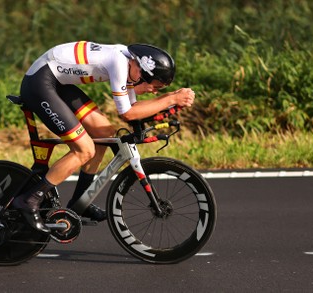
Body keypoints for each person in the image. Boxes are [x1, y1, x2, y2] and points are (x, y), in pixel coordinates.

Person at [12, 41, 195, 233]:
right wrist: (171, 99)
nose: (154, 92)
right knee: (85, 150)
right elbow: (128, 114)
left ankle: (80, 200)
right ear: (142, 73)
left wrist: (170, 101)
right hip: (40, 83)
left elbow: (135, 110)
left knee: (105, 134)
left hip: (58, 83)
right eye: (155, 86)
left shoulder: (131, 65)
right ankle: (28, 200)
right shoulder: (118, 63)